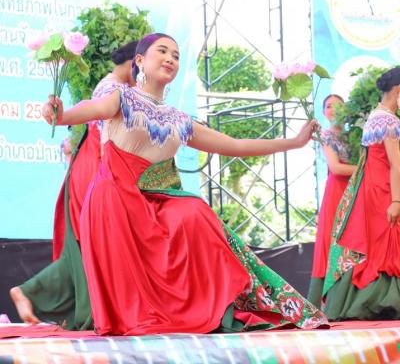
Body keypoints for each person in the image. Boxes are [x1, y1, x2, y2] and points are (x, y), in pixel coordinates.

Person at [14, 33, 328, 335]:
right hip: (115, 202)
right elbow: (90, 111)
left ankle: (212, 307)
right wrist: (60, 115)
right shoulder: (121, 98)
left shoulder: (178, 119)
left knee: (194, 212)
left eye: (175, 55)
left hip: (151, 204)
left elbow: (236, 145)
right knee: (142, 302)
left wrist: (294, 142)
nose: (170, 59)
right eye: (162, 51)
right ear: (139, 60)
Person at [10, 41, 139, 329]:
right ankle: (34, 293)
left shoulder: (114, 85)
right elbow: (106, 134)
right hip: (96, 169)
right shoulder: (113, 88)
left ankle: (29, 292)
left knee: (82, 248)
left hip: (89, 167)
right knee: (92, 245)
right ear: (134, 62)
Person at [322, 67, 400, 320]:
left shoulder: (376, 116)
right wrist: (397, 200)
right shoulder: (389, 120)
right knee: (386, 247)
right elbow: (396, 163)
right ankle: (382, 302)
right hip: (385, 189)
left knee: (377, 247)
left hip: (372, 188)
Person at [307, 94, 356, 308]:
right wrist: (365, 170)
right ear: (324, 112)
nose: (333, 109)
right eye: (329, 106)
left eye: (338, 105)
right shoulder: (326, 136)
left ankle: (350, 299)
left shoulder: (355, 136)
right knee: (333, 240)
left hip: (356, 191)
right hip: (337, 193)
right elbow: (335, 168)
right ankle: (326, 303)